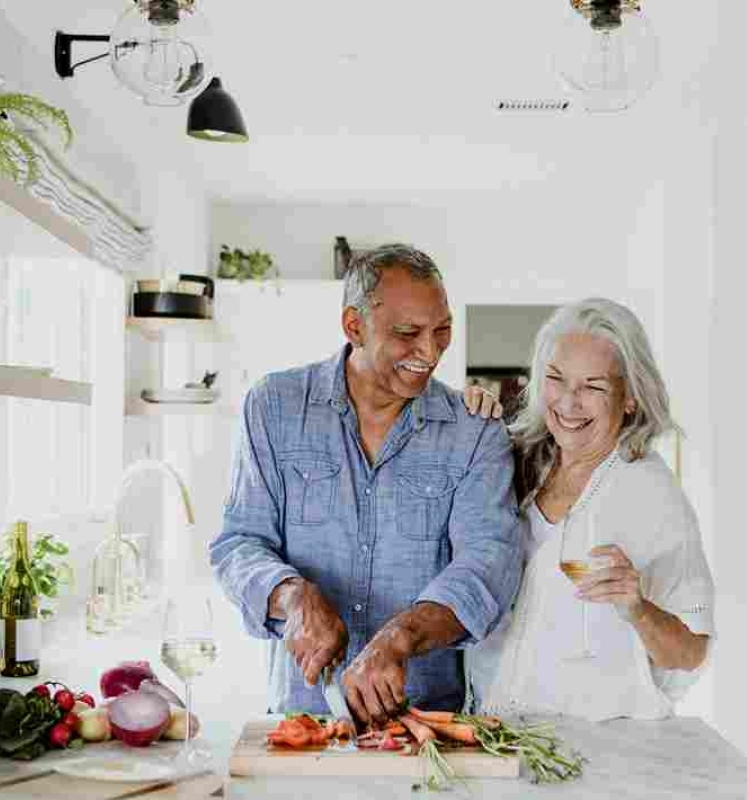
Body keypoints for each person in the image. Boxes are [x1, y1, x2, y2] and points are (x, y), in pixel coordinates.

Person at [209, 244, 522, 723]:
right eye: (407, 333)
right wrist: (294, 596)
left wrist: (401, 636)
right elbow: (238, 543)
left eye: (442, 331)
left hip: (426, 723)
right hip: (303, 718)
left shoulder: (474, 431)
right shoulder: (274, 407)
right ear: (354, 326)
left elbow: (487, 564)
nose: (431, 351)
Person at [465, 298, 713, 721]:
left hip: (597, 748)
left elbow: (691, 652)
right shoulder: (519, 460)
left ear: (630, 398)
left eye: (593, 387)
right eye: (556, 379)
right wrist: (463, 417)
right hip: (493, 726)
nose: (568, 402)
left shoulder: (650, 493)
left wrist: (638, 607)